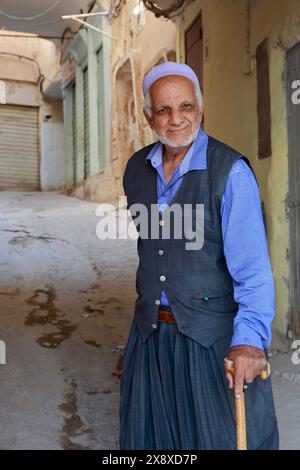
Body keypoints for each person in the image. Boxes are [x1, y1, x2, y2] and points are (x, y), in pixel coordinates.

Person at [119, 61, 279, 450]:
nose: (176, 120)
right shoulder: (136, 171)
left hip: (211, 340)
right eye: (163, 110)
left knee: (219, 440)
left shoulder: (230, 173)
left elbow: (254, 273)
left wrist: (250, 343)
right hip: (150, 337)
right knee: (150, 444)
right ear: (147, 116)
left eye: (185, 107)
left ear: (200, 108)